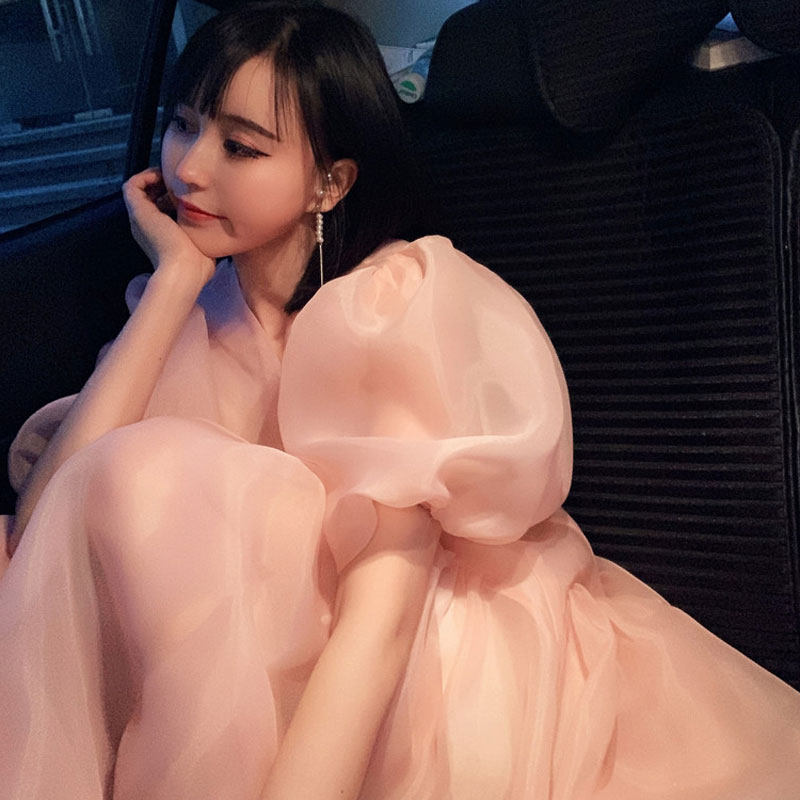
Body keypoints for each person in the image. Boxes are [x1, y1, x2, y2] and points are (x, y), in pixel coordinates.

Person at [1, 2, 799, 798]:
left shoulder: (388, 307)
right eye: (182, 126)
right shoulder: (187, 311)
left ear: (330, 182)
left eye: (240, 146)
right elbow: (50, 537)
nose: (190, 170)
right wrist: (174, 282)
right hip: (248, 662)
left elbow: (382, 613)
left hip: (417, 656)